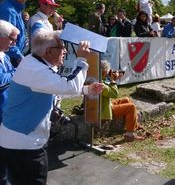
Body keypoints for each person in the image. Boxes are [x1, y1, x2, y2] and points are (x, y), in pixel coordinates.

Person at [0, 31, 103, 185]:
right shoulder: (36, 70)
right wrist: (81, 59)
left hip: (19, 140)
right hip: (24, 143)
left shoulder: (34, 63)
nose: (66, 51)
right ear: (49, 51)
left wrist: (86, 90)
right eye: (62, 47)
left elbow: (54, 87)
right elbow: (69, 86)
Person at [96, 60, 141, 141]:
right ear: (104, 71)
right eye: (108, 71)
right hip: (104, 111)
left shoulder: (98, 79)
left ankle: (134, 126)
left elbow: (109, 91)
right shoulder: (100, 85)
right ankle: (129, 135)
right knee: (131, 107)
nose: (109, 72)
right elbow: (114, 94)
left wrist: (111, 79)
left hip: (104, 105)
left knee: (126, 100)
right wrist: (113, 80)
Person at [0, 20, 19, 185]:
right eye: (11, 39)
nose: (13, 43)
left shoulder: (4, 56)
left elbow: (11, 72)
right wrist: (18, 74)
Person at [0, 0, 34, 67]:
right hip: (9, 57)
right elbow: (7, 38)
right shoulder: (8, 10)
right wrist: (19, 57)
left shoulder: (14, 9)